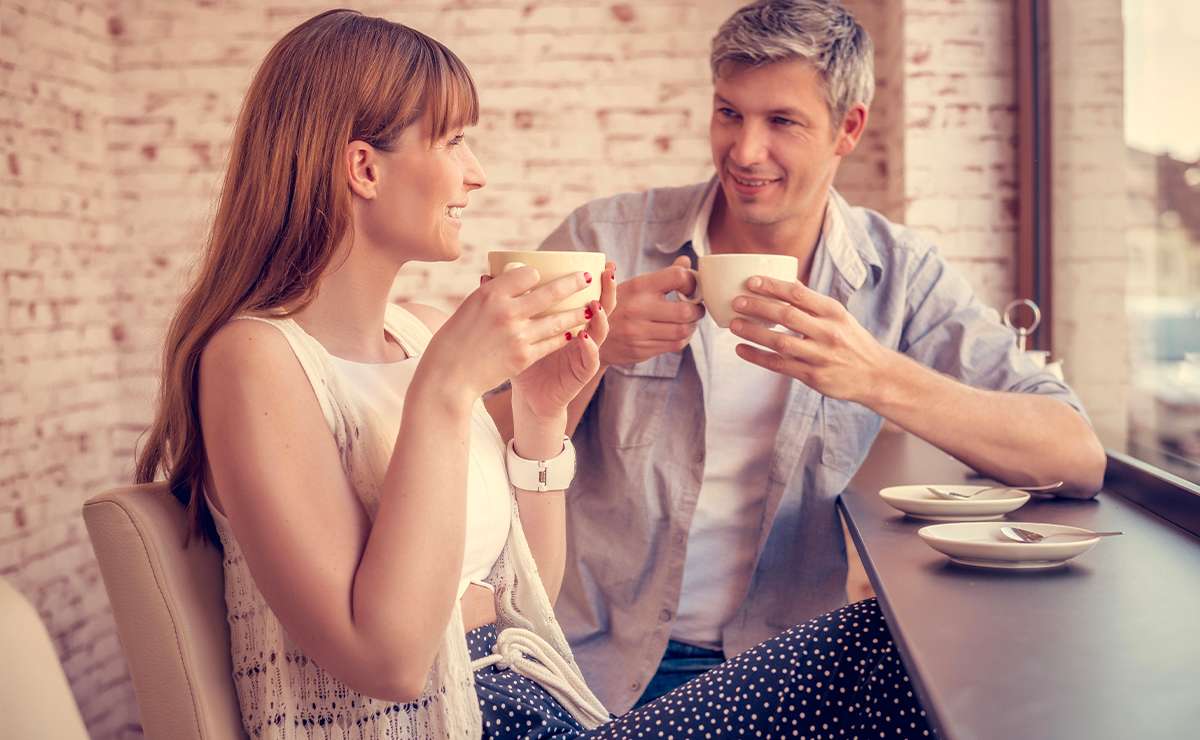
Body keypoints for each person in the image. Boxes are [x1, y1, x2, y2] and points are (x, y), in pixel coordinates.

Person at [135, 8, 932, 739]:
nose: (476, 173)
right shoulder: (255, 360)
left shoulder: (414, 333)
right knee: (881, 657)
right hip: (448, 722)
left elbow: (532, 599)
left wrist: (542, 415)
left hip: (541, 705)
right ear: (364, 169)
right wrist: (449, 390)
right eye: (453, 141)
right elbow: (390, 662)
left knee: (890, 645)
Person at [519, 0, 1107, 712]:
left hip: (784, 672)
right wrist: (590, 355)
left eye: (782, 121)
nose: (745, 151)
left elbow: (1074, 455)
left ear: (848, 129)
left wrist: (874, 375)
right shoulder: (603, 239)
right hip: (587, 660)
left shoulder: (901, 273)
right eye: (729, 113)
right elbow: (481, 445)